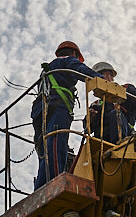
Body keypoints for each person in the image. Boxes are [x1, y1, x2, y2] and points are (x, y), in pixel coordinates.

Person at [32, 40, 101, 188]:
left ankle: (40, 187)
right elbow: (83, 71)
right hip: (57, 106)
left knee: (45, 151)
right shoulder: (68, 61)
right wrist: (102, 82)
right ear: (74, 53)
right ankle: (55, 184)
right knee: (57, 144)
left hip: (40, 111)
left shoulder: (48, 69)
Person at [86, 60, 136, 144]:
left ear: (108, 75)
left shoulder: (126, 90)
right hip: (103, 140)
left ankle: (121, 142)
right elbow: (87, 129)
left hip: (126, 134)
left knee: (115, 113)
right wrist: (91, 117)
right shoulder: (96, 104)